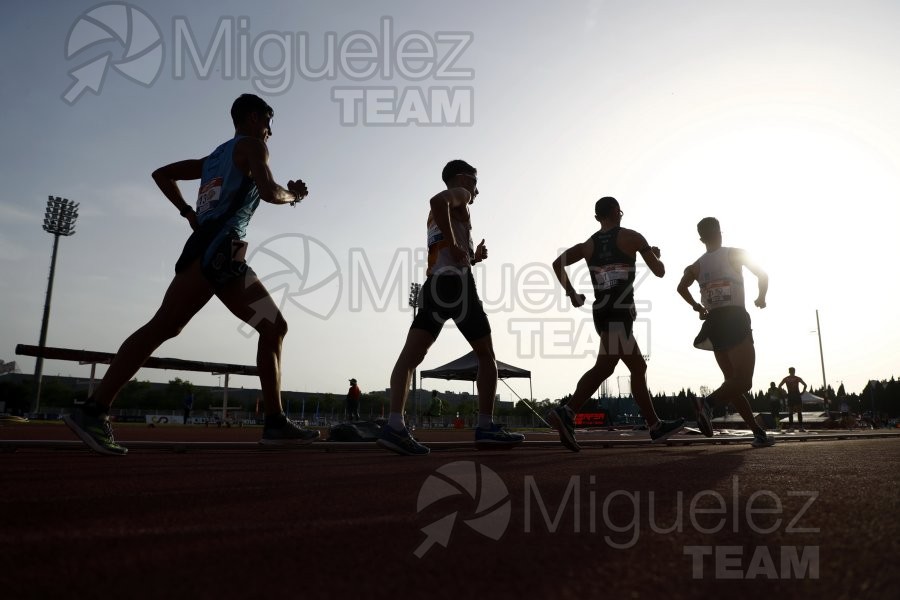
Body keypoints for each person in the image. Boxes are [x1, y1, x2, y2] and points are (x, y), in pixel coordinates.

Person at [63, 94, 320, 455]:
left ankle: (94, 409)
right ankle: (275, 423)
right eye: (268, 122)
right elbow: (267, 191)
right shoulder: (252, 146)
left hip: (204, 246)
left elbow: (162, 174)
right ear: (251, 118)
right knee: (268, 326)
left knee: (170, 325)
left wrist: (188, 212)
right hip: (221, 249)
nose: (270, 132)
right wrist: (293, 195)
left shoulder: (214, 157)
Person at [378, 159, 525, 455]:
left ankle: (394, 425)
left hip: (435, 285)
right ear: (461, 178)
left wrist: (472, 255)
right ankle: (485, 426)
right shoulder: (460, 197)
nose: (477, 190)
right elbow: (436, 202)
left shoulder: (445, 214)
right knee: (486, 354)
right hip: (457, 287)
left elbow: (450, 251)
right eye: (474, 182)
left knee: (411, 356)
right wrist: (457, 245)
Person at [546, 196, 685, 451]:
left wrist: (572, 293)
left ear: (598, 217)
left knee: (624, 367)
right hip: (619, 312)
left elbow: (557, 263)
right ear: (617, 212)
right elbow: (660, 271)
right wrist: (654, 254)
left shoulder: (588, 245)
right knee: (611, 368)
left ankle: (654, 425)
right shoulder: (633, 237)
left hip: (601, 311)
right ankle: (568, 411)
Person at [676, 217, 775, 448]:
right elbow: (763, 274)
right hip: (735, 319)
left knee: (731, 383)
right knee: (744, 382)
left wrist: (697, 307)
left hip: (714, 324)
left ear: (701, 238)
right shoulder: (735, 253)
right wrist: (761, 297)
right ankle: (707, 404)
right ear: (720, 232)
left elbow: (681, 287)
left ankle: (758, 432)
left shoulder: (697, 265)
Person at [779, 367, 808, 432]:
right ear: (794, 371)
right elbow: (805, 385)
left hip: (790, 395)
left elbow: (779, 386)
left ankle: (792, 427)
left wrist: (784, 393)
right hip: (796, 395)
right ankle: (800, 427)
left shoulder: (786, 379)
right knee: (799, 411)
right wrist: (802, 392)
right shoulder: (797, 378)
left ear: (789, 371)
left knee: (791, 412)